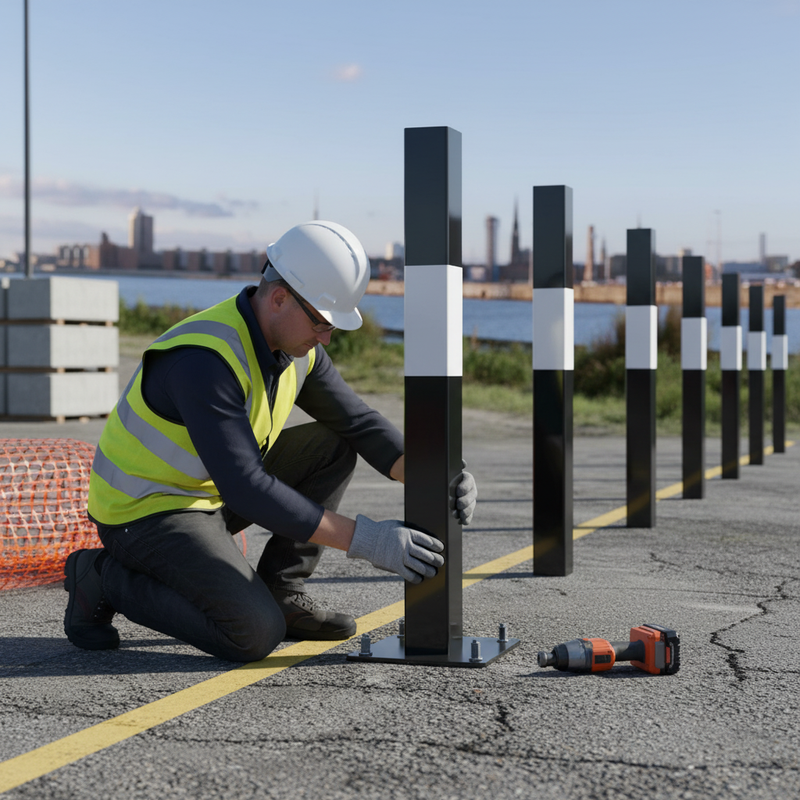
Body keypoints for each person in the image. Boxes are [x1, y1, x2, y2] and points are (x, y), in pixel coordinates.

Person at [64, 220, 477, 662]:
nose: (326, 338)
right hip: (146, 511)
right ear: (279, 297)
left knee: (332, 444)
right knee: (252, 633)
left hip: (209, 497)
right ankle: (102, 576)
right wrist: (367, 540)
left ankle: (283, 589)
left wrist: (437, 475)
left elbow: (358, 422)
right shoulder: (204, 361)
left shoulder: (298, 349)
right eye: (321, 322)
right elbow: (247, 487)